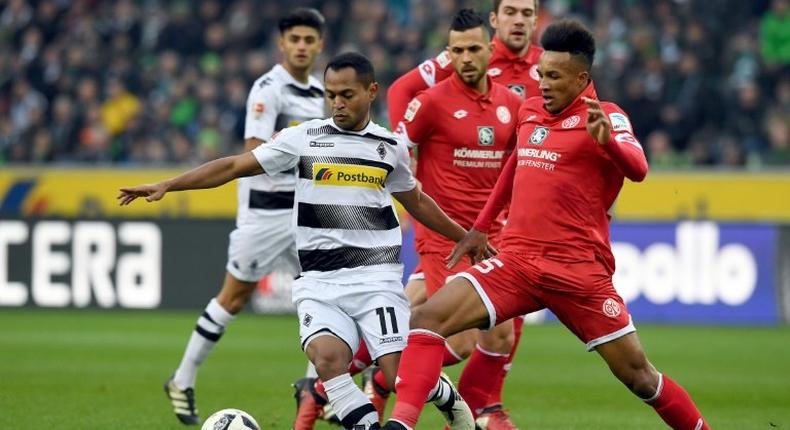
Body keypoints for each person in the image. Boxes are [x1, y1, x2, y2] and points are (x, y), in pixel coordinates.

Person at [380, 20, 711, 430]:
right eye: (541, 74)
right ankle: (401, 424)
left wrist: (607, 141)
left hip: (577, 273)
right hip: (516, 262)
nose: (543, 84)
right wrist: (480, 228)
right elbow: (513, 167)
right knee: (427, 319)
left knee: (639, 377)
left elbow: (639, 169)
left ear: (582, 78)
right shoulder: (532, 110)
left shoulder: (607, 117)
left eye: (553, 77)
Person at [119, 52, 477, 430]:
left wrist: (463, 236)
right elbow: (233, 166)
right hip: (319, 281)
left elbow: (416, 201)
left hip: (376, 280)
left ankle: (444, 394)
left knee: (396, 372)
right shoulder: (303, 138)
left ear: (371, 91)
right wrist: (168, 184)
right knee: (326, 358)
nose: (337, 103)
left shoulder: (389, 148)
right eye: (331, 94)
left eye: (347, 94)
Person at [162, 8, 326, 425]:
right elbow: (255, 148)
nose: (302, 46)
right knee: (234, 297)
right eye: (295, 40)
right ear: (282, 44)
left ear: (319, 45)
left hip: (304, 211)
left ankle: (314, 390)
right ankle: (182, 379)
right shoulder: (268, 89)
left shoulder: (322, 92)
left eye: (309, 40)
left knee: (325, 295)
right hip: (264, 214)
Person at [363, 9, 523, 427]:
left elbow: (519, 169)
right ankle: (388, 384)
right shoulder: (429, 103)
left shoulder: (512, 105)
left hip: (493, 236)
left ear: (491, 50)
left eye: (474, 48)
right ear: (447, 55)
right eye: (457, 51)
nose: (466, 57)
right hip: (444, 237)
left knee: (502, 335)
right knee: (466, 337)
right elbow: (393, 153)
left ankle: (373, 373)